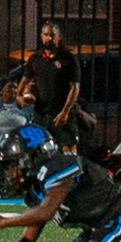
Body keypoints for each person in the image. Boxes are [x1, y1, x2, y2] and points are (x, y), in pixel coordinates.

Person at [25, 20, 82, 148]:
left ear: (59, 37)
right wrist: (25, 93)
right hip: (41, 115)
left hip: (61, 115)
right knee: (38, 150)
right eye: (46, 35)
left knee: (68, 152)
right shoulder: (36, 59)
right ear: (41, 36)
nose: (49, 38)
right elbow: (26, 82)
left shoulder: (68, 59)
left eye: (52, 35)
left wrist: (65, 112)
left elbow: (75, 88)